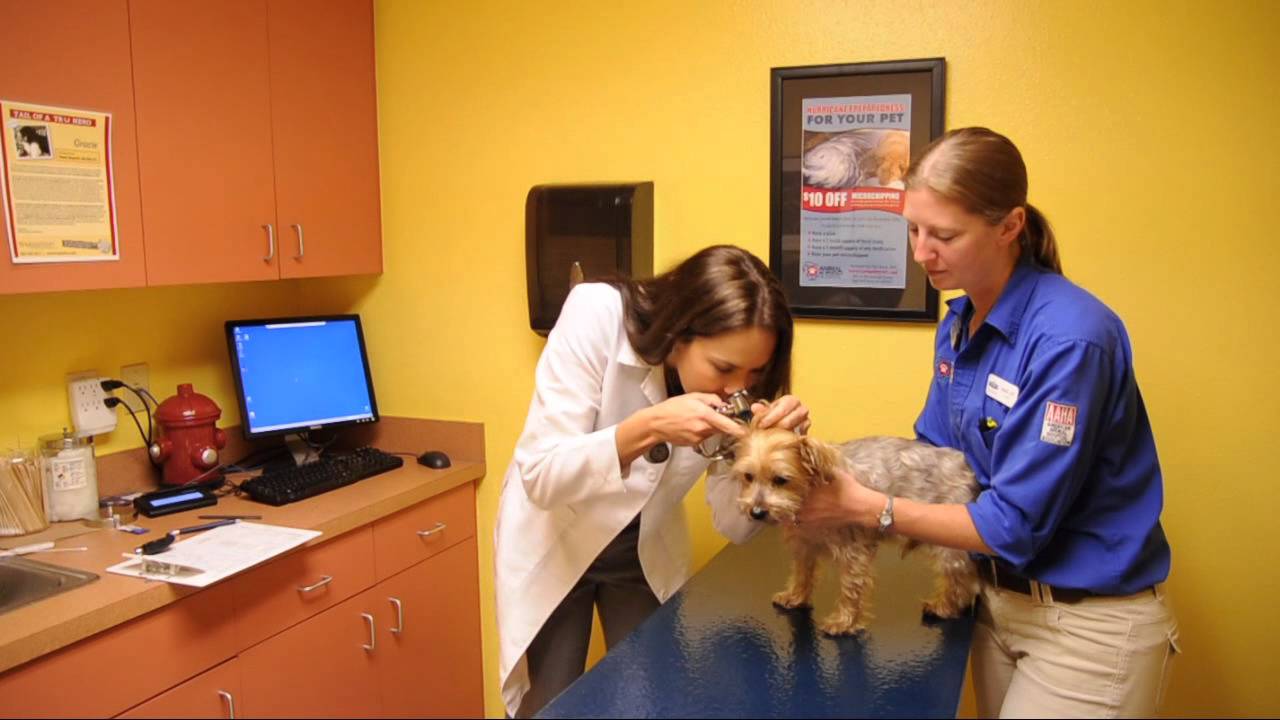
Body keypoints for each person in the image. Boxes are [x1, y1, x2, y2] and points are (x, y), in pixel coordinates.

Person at [796, 127, 1179, 717]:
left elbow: (1015, 525)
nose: (921, 253)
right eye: (914, 230)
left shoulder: (1070, 339)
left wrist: (868, 506)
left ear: (1009, 226)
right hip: (992, 604)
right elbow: (937, 459)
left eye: (944, 235)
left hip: (1085, 624)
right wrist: (811, 464)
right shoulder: (961, 324)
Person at [495, 245, 811, 717]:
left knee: (652, 698)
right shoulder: (596, 313)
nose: (737, 389)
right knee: (551, 703)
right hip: (556, 535)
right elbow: (541, 474)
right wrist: (647, 428)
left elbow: (735, 526)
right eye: (724, 368)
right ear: (678, 334)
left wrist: (773, 455)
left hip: (641, 546)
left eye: (755, 373)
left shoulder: (737, 395)